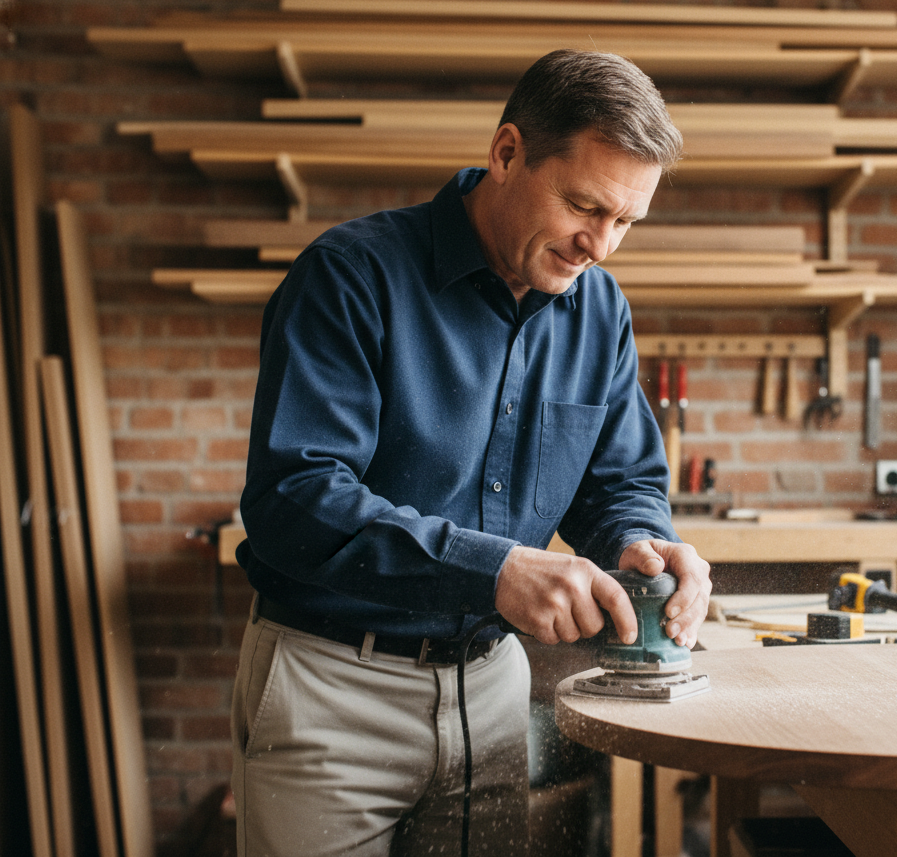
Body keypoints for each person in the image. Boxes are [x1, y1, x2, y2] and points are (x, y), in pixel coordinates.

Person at [230, 48, 712, 857]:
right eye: (584, 206)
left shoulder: (599, 310)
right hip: (334, 687)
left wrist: (640, 540)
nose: (601, 246)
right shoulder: (350, 278)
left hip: (491, 689)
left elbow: (619, 479)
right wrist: (495, 570)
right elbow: (294, 498)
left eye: (626, 222)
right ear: (507, 153)